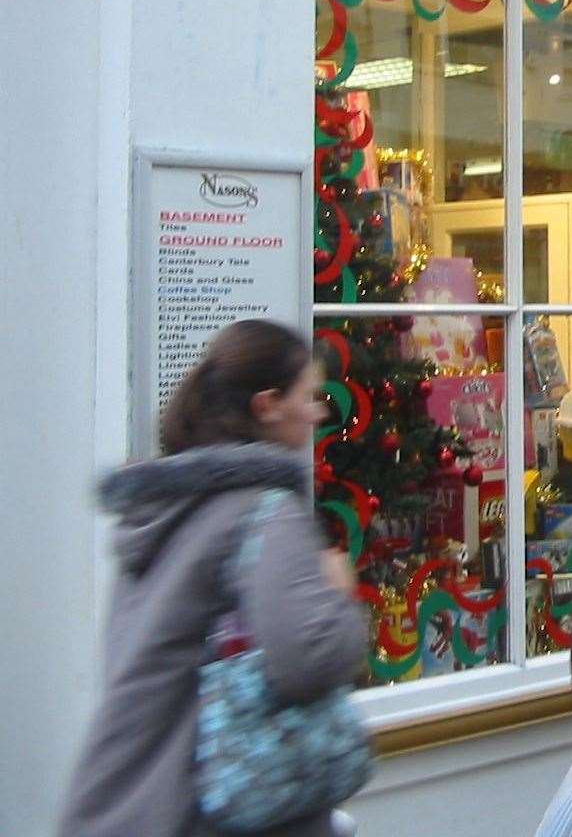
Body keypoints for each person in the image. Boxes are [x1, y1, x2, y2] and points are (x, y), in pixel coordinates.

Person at [59, 320, 369, 837]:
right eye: (310, 396)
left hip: (123, 802)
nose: (319, 412)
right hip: (205, 811)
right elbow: (308, 658)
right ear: (267, 405)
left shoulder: (163, 510)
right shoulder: (266, 510)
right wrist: (339, 594)